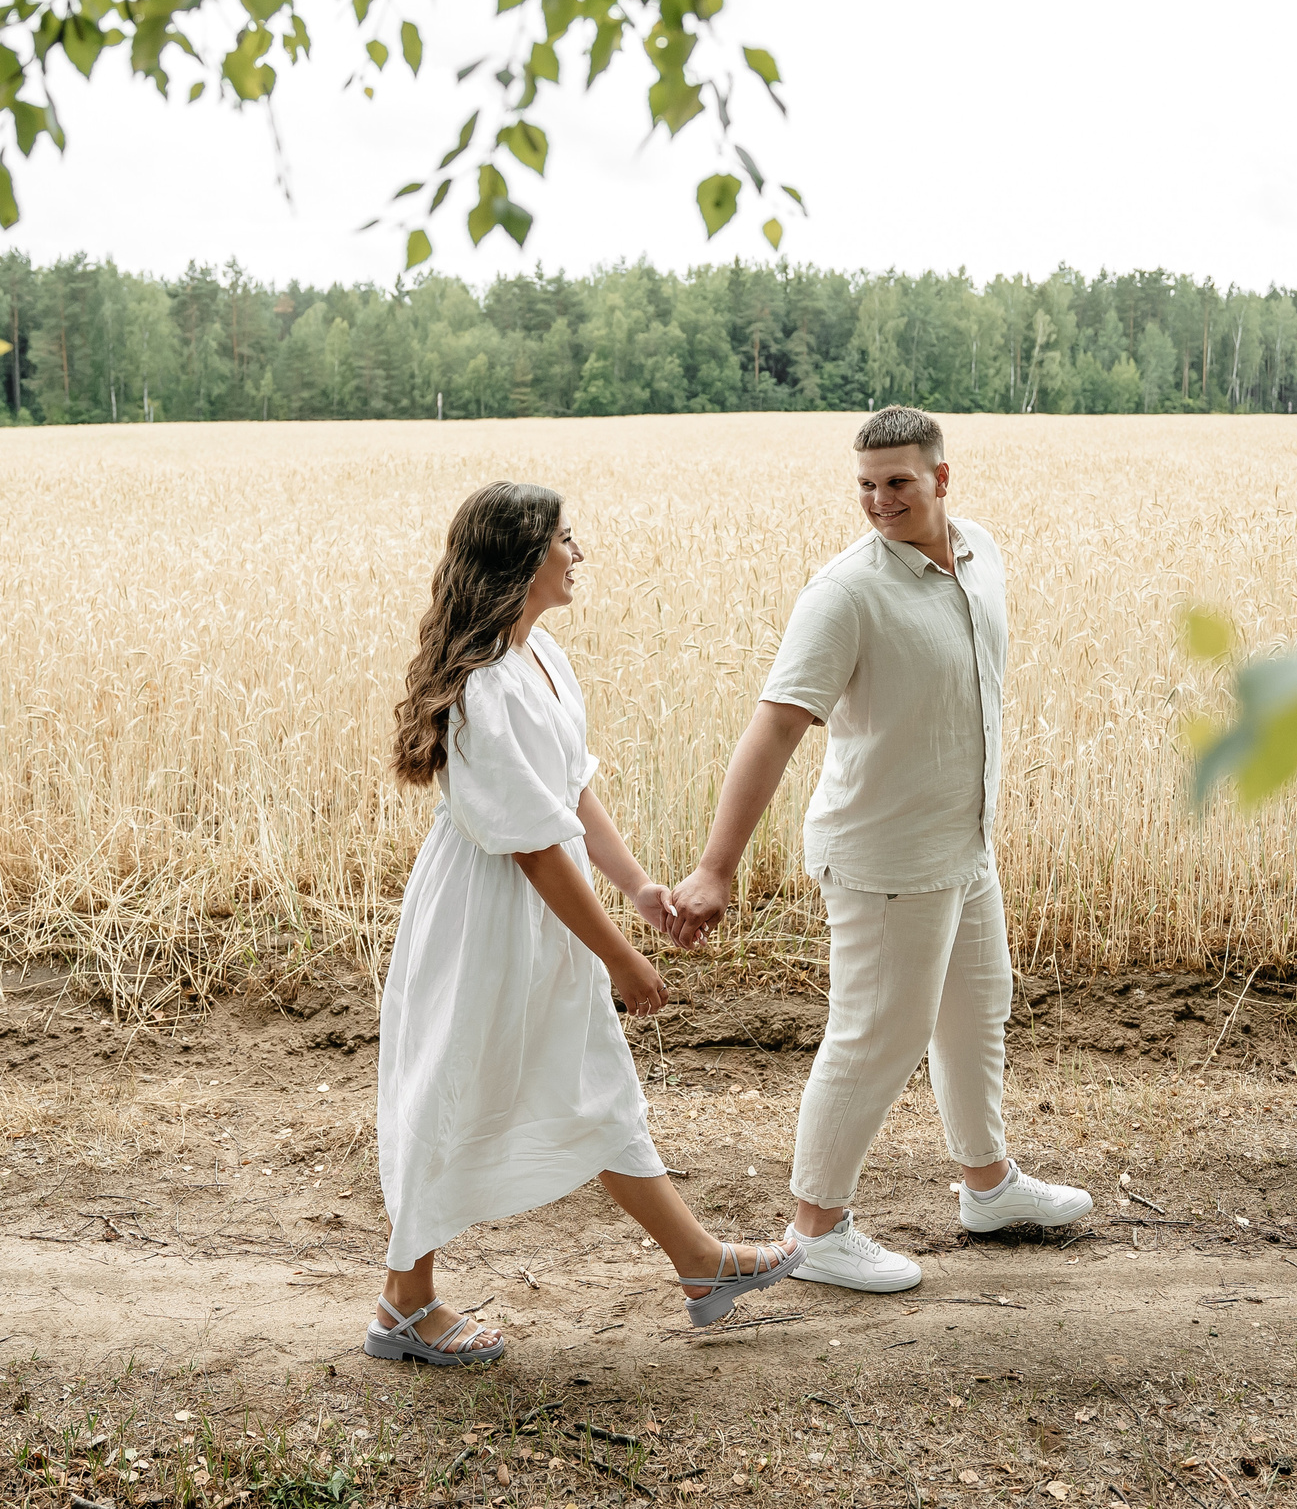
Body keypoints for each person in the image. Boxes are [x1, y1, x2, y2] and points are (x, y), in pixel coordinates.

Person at [370, 481, 799, 1365]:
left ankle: (699, 1262)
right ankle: (404, 1302)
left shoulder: (542, 657)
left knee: (592, 1076)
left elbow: (568, 792)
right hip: (487, 914)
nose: (579, 552)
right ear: (523, 557)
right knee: (450, 1082)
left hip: (545, 906)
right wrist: (619, 958)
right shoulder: (484, 689)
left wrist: (637, 886)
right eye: (565, 539)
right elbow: (532, 847)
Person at [668, 407, 1092, 1293]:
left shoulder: (979, 552)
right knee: (876, 1035)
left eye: (897, 481)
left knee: (977, 1007)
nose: (878, 500)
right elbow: (775, 727)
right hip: (885, 856)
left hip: (963, 842)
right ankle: (815, 1230)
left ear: (942, 477)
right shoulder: (846, 593)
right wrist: (715, 867)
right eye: (865, 484)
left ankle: (988, 1187)